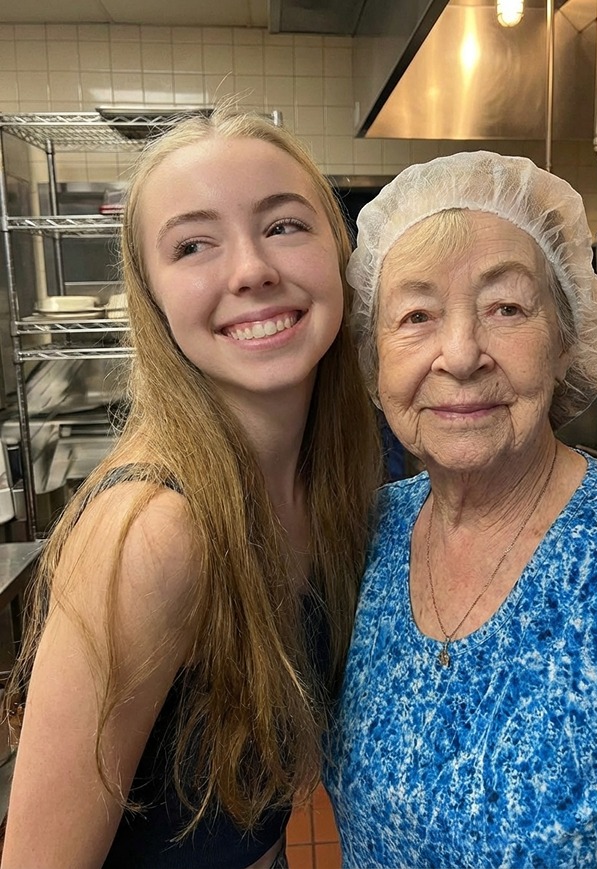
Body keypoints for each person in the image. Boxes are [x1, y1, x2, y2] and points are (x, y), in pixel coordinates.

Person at [1, 102, 379, 869]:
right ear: (154, 299)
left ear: (341, 255)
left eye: (283, 225)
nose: (252, 270)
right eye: (193, 245)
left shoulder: (332, 486)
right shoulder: (158, 535)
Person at [324, 151, 597, 868]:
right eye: (416, 315)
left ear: (565, 341)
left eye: (506, 308)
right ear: (375, 361)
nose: (461, 354)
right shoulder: (364, 537)